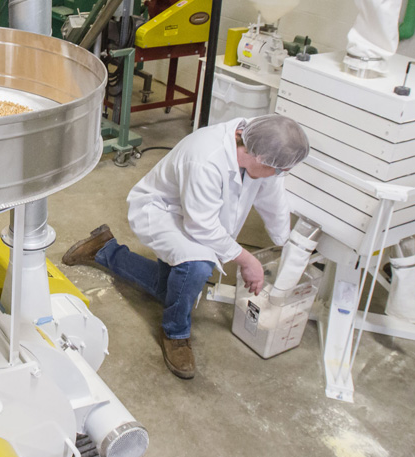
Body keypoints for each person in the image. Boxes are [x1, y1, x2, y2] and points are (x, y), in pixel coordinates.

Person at [62, 114, 310, 380]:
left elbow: (272, 197)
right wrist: (248, 261)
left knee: (173, 290)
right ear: (260, 159)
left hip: (193, 214)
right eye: (280, 170)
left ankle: (104, 249)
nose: (280, 175)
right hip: (161, 211)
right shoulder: (206, 158)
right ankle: (175, 333)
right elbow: (200, 226)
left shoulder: (260, 143)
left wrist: (284, 242)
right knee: (197, 268)